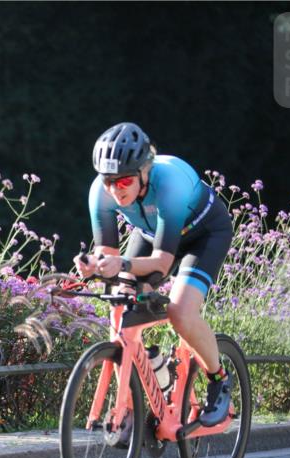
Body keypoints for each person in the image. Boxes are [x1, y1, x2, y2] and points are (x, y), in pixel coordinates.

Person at [74, 122, 233, 426]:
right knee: (119, 303)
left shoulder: (169, 183)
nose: (114, 189)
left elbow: (161, 263)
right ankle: (140, 388)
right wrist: (94, 265)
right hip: (152, 233)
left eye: (123, 182)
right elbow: (107, 254)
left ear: (144, 171)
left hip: (203, 235)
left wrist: (121, 264)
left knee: (180, 311)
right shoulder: (101, 193)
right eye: (107, 181)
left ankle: (219, 380)